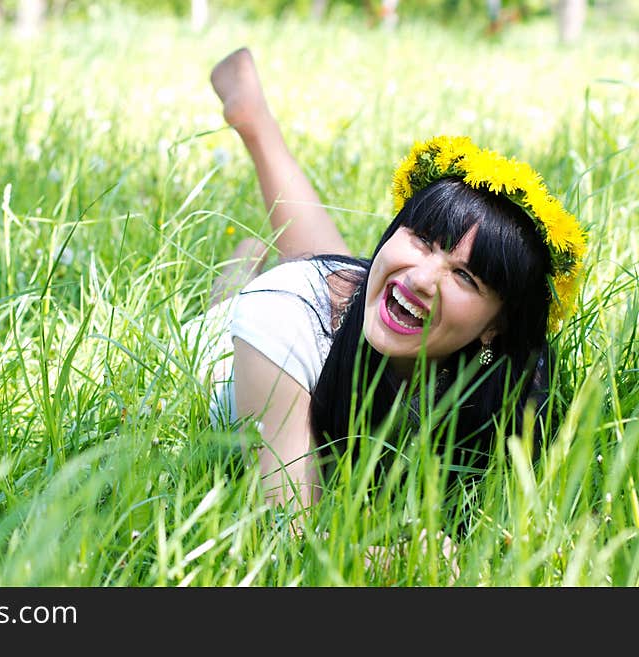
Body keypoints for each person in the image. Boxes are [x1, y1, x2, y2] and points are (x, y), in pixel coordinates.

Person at [197, 47, 586, 518]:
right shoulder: (280, 322)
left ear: (496, 327)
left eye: (464, 275)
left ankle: (253, 135)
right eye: (422, 237)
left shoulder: (503, 378)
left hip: (345, 298)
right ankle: (240, 261)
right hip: (235, 348)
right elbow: (292, 529)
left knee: (353, 274)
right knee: (293, 284)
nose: (425, 277)